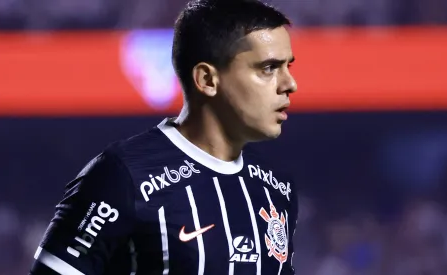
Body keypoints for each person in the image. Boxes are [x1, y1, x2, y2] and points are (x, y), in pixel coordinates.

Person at [29, 0, 298, 274]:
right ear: (207, 80)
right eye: (268, 68)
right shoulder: (121, 176)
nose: (290, 83)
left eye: (288, 66)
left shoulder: (277, 187)